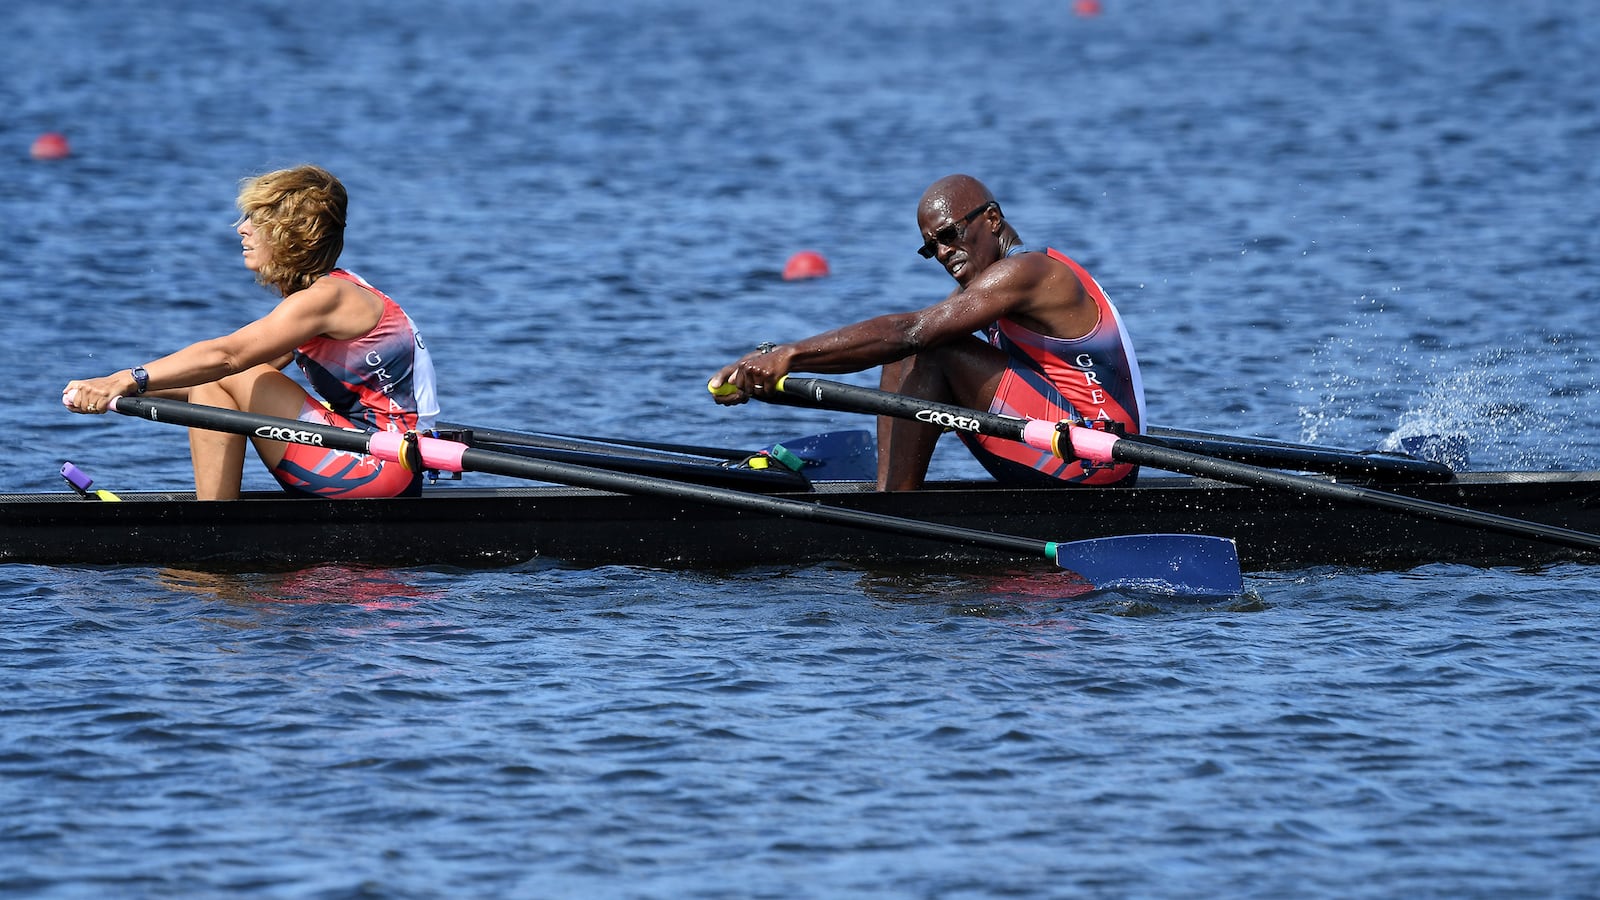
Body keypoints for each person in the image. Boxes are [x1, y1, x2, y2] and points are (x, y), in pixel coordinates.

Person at [709, 173, 1144, 490]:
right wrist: (769, 370)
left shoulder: (1028, 273)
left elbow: (910, 333)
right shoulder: (994, 285)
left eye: (950, 235)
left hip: (1098, 460)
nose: (942, 253)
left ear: (991, 219)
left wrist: (790, 355)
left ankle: (892, 508)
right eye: (931, 246)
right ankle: (891, 497)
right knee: (915, 348)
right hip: (1062, 442)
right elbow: (899, 342)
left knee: (929, 347)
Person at [61, 164, 440, 500]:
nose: (240, 228)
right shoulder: (328, 293)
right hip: (372, 455)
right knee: (219, 378)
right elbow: (212, 381)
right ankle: (213, 521)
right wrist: (120, 393)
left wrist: (128, 378)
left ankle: (212, 529)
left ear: (290, 234)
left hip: (384, 467)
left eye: (255, 220)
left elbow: (228, 358)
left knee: (233, 370)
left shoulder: (329, 297)